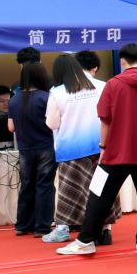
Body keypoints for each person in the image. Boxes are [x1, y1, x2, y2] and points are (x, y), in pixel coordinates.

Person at [58, 44, 137, 258]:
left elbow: (105, 119)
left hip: (116, 151)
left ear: (122, 61)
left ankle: (86, 240)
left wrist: (103, 146)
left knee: (99, 195)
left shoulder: (113, 84)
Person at [43, 52, 104, 245]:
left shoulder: (57, 92)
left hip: (70, 148)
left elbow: (52, 123)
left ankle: (62, 229)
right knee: (99, 189)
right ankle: (104, 229)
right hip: (99, 147)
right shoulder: (100, 86)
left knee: (68, 191)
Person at [8, 61, 55, 237]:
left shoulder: (14, 100)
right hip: (46, 145)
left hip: (25, 147)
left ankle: (22, 225)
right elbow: (53, 123)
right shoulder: (47, 97)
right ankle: (42, 227)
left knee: (27, 185)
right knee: (45, 185)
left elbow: (11, 127)